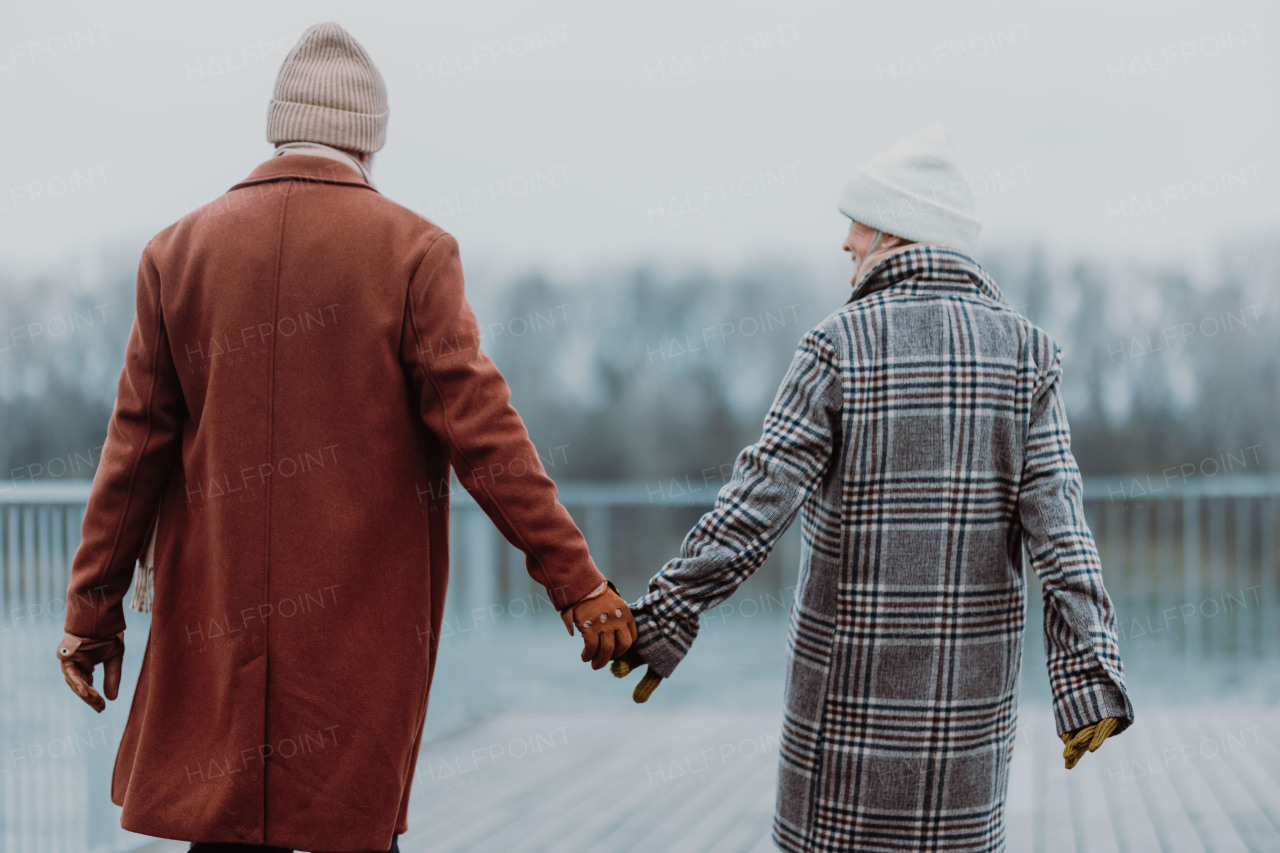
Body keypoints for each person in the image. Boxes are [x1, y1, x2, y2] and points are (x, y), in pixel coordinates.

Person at [54, 21, 636, 853]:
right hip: (355, 646)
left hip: (213, 632)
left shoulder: (175, 253)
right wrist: (577, 583)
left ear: (278, 123)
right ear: (370, 139)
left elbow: (134, 452)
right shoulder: (413, 253)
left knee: (219, 833)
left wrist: (91, 612)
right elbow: (487, 440)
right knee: (351, 836)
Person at [613, 123, 1135, 852]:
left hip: (843, 719)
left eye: (853, 238)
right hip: (966, 720)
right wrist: (1089, 677)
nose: (845, 255)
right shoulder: (1029, 358)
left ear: (897, 233)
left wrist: (666, 615)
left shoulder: (838, 343)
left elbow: (755, 501)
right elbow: (1063, 536)